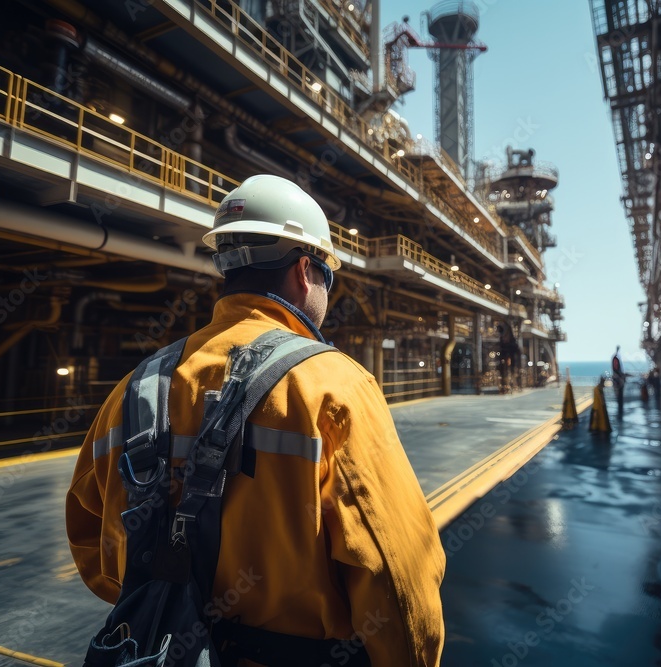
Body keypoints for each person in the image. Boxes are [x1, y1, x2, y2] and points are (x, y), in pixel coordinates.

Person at [66, 175, 445, 666]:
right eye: (328, 276)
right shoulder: (335, 386)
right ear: (306, 271)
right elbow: (396, 576)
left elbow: (89, 538)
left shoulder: (134, 387)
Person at [611, 345, 626, 413]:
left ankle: (620, 408)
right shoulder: (616, 358)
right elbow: (616, 368)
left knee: (619, 395)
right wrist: (620, 375)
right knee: (619, 394)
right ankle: (620, 409)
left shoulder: (617, 357)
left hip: (618, 378)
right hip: (618, 379)